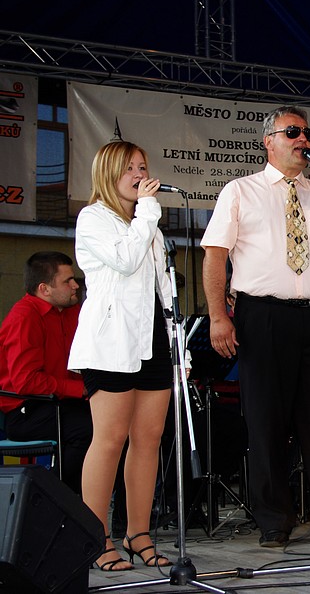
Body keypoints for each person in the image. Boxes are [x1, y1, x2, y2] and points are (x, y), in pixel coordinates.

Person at [201, 105, 310, 547]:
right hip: (262, 315)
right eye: (293, 132)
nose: (303, 140)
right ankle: (274, 522)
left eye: (307, 133)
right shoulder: (241, 191)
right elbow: (215, 256)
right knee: (267, 422)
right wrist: (218, 316)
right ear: (269, 141)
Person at [68, 141, 174, 572]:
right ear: (109, 174)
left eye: (143, 166)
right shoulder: (94, 218)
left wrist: (179, 347)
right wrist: (147, 213)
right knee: (109, 439)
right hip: (111, 343)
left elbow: (164, 291)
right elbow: (126, 261)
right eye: (129, 167)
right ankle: (94, 538)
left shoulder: (148, 225)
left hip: (153, 341)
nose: (139, 174)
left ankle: (138, 533)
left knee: (148, 440)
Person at [0, 251, 92, 494]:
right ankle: (54, 500)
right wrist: (80, 389)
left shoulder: (71, 311)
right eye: (68, 281)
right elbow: (25, 381)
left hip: (62, 402)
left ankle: (120, 511)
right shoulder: (24, 316)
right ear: (44, 289)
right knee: (88, 430)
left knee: (118, 423)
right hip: (26, 410)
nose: (76, 285)